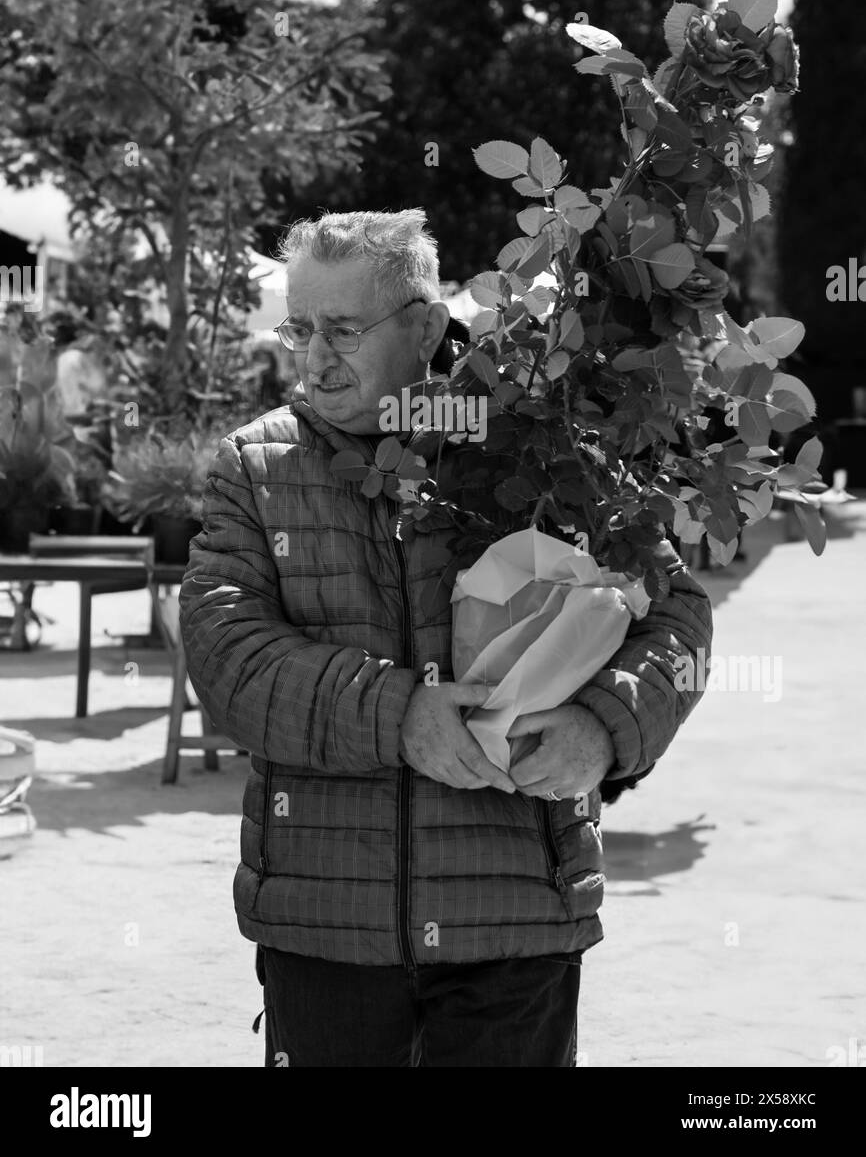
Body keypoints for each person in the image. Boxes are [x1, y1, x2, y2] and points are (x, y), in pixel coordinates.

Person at [178, 209, 713, 1069]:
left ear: (425, 327)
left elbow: (677, 619)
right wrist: (398, 715)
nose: (315, 356)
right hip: (326, 932)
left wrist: (606, 730)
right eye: (300, 327)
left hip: (516, 926)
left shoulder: (542, 448)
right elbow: (225, 654)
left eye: (343, 329)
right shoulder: (255, 466)